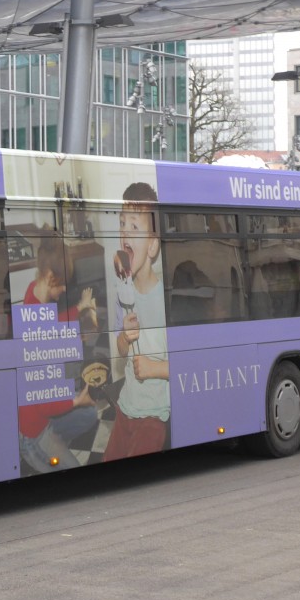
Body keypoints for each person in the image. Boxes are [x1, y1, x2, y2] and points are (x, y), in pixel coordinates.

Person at [17, 235, 100, 473]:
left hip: (45, 414)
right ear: (49, 276)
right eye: (62, 284)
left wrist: (80, 307)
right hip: (34, 432)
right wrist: (76, 400)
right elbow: (45, 405)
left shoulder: (34, 292)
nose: (64, 290)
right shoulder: (37, 331)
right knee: (76, 473)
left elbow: (53, 321)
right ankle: (44, 452)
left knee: (89, 414)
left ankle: (57, 446)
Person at [103, 181, 170, 461]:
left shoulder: (167, 298)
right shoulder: (123, 294)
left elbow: (189, 364)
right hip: (126, 407)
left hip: (154, 415)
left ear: (152, 246)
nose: (125, 233)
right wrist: (124, 337)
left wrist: (153, 368)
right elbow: (121, 350)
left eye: (134, 226)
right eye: (122, 225)